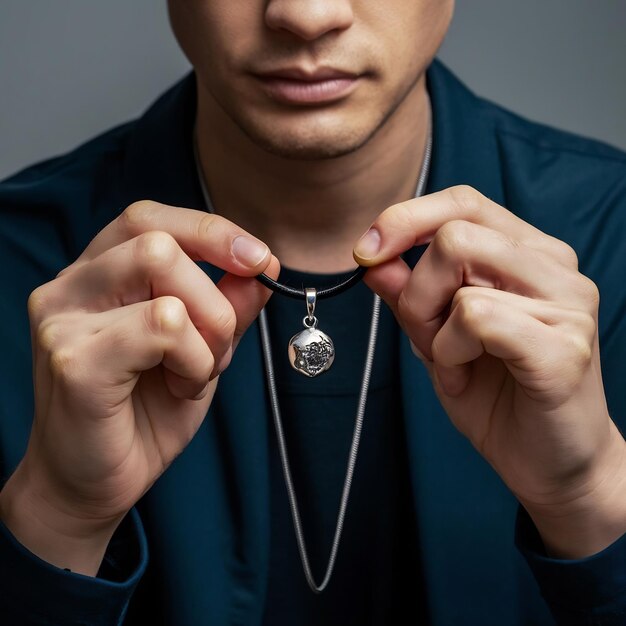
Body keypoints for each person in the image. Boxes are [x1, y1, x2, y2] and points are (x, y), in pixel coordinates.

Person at [0, 1, 625, 624]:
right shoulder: (18, 266)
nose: (307, 14)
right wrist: (58, 518)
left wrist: (589, 496)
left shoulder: (610, 238)